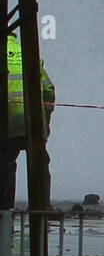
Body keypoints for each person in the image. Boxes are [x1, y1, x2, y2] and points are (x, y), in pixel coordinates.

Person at [3, 32, 54, 209]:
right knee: (40, 162)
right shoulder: (27, 52)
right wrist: (46, 120)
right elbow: (48, 89)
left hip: (8, 122)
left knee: (6, 164)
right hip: (34, 120)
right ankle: (41, 207)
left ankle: (5, 208)